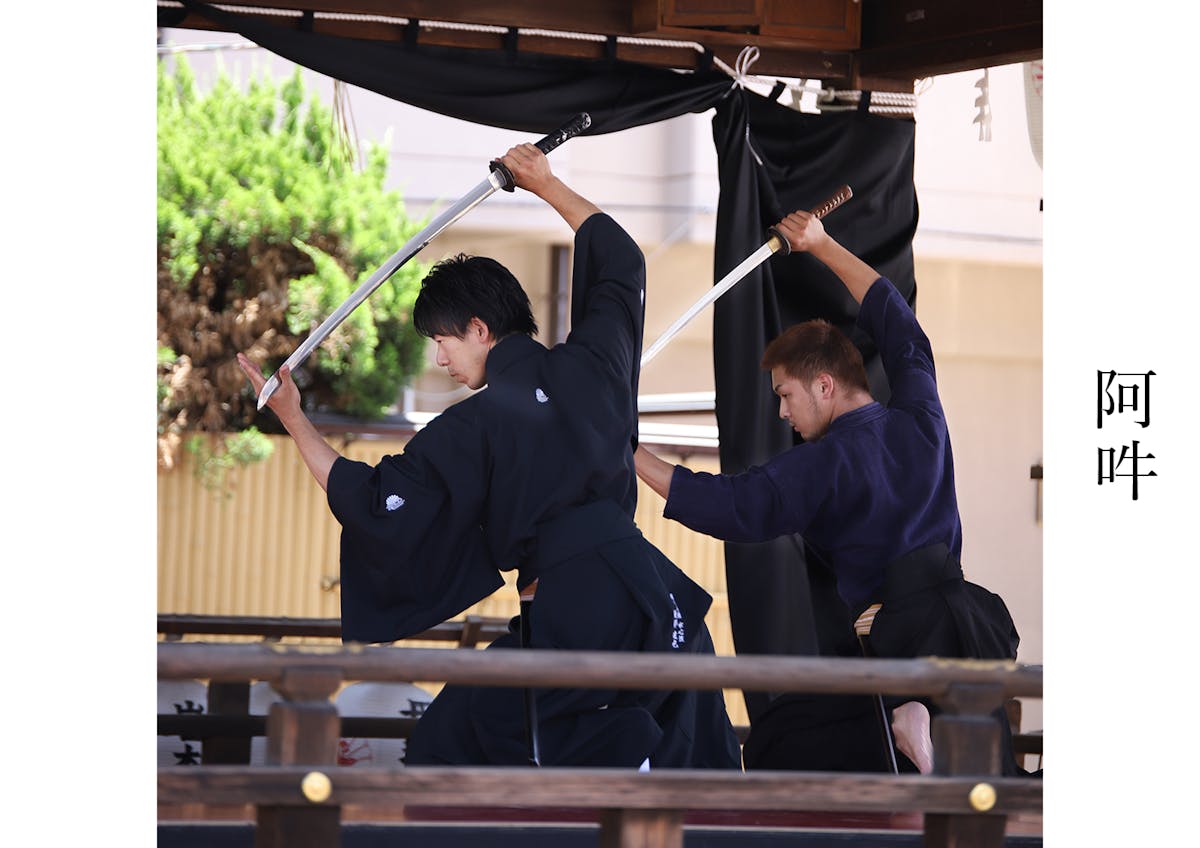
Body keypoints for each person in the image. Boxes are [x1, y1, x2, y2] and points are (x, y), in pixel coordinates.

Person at [237, 143, 740, 771]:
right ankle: (634, 752)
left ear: (480, 328)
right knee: (685, 759)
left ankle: (624, 746)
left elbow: (373, 501)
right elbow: (619, 264)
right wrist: (546, 184)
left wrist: (292, 417)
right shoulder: (595, 364)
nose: (440, 360)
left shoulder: (474, 423)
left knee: (456, 742)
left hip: (575, 610)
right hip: (653, 597)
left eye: (443, 341)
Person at [634, 208, 1025, 776]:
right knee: (983, 779)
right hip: (961, 627)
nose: (784, 413)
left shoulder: (823, 463)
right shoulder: (921, 415)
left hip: (896, 641)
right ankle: (923, 726)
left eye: (786, 395)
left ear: (825, 383)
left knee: (776, 740)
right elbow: (896, 320)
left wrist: (631, 456)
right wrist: (821, 245)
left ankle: (911, 720)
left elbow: (735, 506)